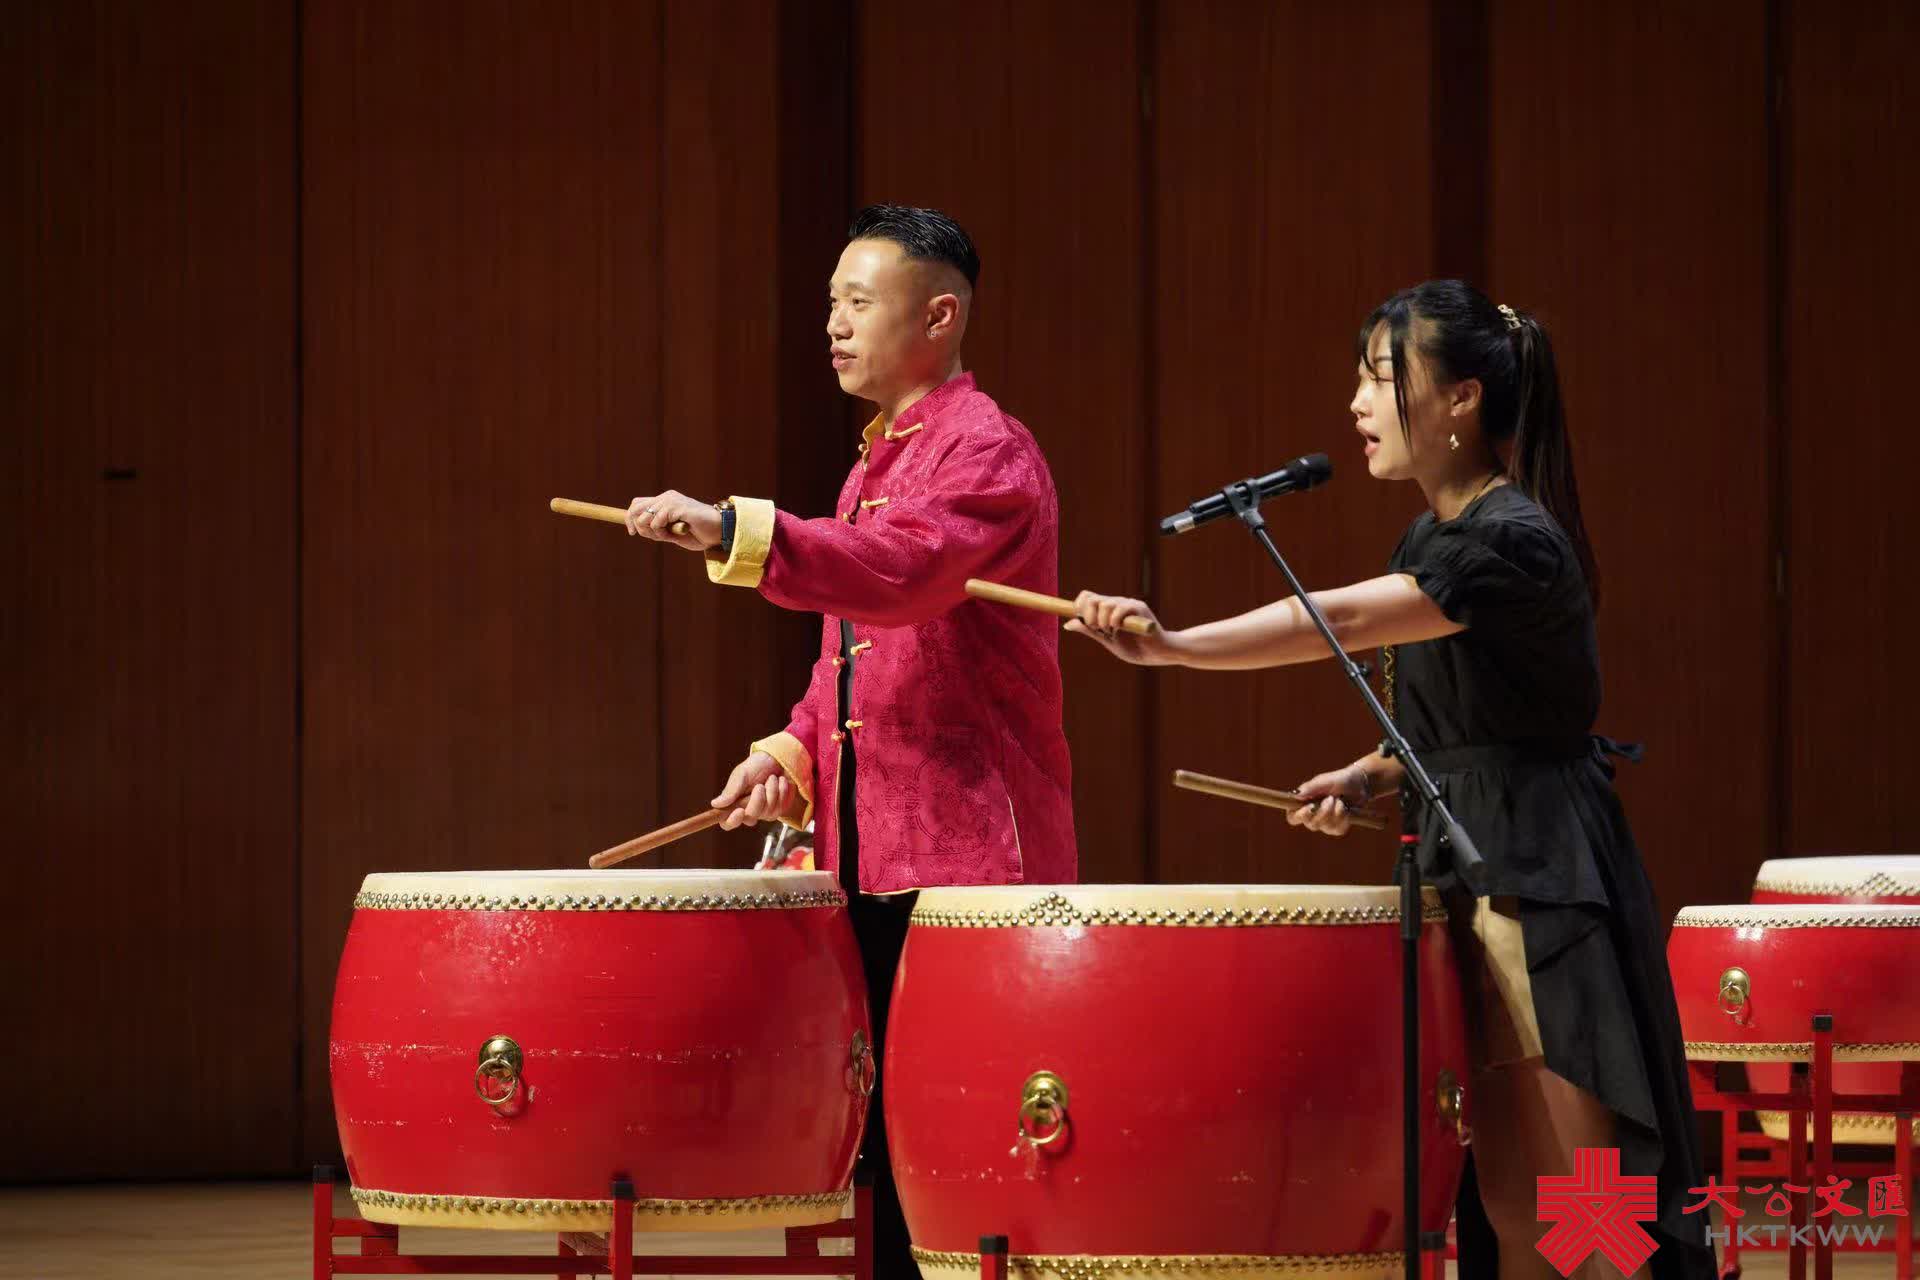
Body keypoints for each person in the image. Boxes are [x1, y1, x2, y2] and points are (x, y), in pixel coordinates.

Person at [1065, 280, 1712, 1280]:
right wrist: (1372, 772)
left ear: (1461, 398)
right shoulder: (1432, 538)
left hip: (1537, 874)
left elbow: (1349, 619)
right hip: (1476, 867)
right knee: (1511, 1193)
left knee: (1580, 1192)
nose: (1358, 404)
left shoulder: (1511, 537)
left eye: (1380, 378)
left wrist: (1179, 645)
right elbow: (1461, 720)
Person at [622, 204, 1077, 1273]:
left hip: (970, 855)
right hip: (871, 849)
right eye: (832, 301)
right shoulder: (875, 461)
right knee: (876, 1135)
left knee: (955, 1133)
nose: (833, 322)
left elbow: (900, 576)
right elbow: (850, 655)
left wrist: (734, 528)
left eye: (859, 302)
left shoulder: (986, 450)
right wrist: (789, 752)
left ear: (940, 316)